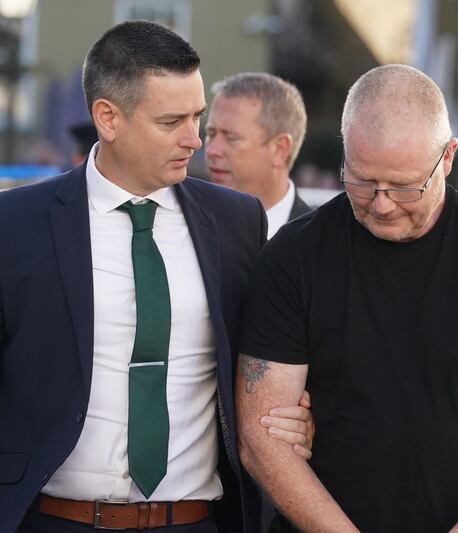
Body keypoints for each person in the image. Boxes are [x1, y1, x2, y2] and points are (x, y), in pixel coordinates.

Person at [235, 64, 458, 532]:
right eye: (360, 181)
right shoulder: (293, 257)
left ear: (449, 156)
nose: (381, 204)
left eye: (402, 186)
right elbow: (261, 439)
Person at [0, 20, 310, 533]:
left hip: (195, 520)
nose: (195, 140)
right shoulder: (16, 224)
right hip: (52, 519)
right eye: (172, 122)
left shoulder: (237, 222)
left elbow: (265, 359)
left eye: (198, 118)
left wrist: (298, 412)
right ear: (108, 118)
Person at [205, 72, 312, 239]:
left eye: (231, 138)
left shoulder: (324, 243)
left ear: (280, 149)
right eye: (210, 134)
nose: (212, 150)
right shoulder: (184, 229)